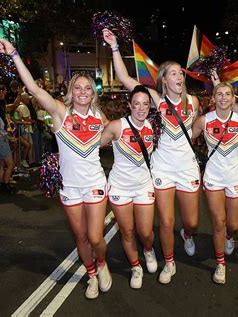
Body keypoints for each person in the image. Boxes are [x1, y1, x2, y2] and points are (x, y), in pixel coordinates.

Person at [0, 38, 112, 300]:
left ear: (93, 93)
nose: (82, 91)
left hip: (94, 183)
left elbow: (117, 134)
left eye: (87, 88)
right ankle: (91, 274)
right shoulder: (60, 112)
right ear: (71, 91)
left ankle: (102, 264)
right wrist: (14, 53)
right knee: (81, 238)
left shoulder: (100, 117)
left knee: (95, 238)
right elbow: (35, 91)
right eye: (77, 87)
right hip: (70, 187)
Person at [103, 28, 201, 284]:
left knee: (191, 222)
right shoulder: (156, 100)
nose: (179, 75)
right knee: (166, 222)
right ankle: (169, 262)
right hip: (162, 169)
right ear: (164, 80)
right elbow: (124, 76)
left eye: (181, 72)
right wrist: (114, 46)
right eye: (173, 73)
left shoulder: (194, 101)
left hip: (188, 168)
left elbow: (197, 129)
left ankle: (187, 236)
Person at [100, 85, 158, 289]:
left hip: (144, 186)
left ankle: (148, 249)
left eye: (145, 104)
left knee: (145, 232)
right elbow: (92, 146)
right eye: (136, 104)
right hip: (120, 188)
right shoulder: (117, 126)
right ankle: (135, 266)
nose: (141, 108)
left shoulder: (154, 126)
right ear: (129, 105)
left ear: (150, 106)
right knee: (127, 232)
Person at [192, 82, 238, 284]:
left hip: (236, 177)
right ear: (213, 99)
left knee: (232, 226)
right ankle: (220, 263)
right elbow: (182, 140)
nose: (223, 97)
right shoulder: (204, 120)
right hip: (213, 178)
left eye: (228, 94)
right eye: (219, 94)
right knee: (219, 223)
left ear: (233, 99)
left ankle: (230, 238)